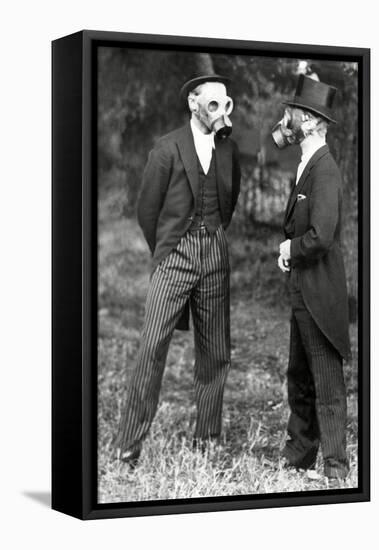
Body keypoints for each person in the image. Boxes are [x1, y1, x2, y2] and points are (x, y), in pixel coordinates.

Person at [116, 74, 241, 466]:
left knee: (215, 352)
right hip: (175, 254)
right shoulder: (167, 147)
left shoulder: (228, 148)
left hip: (215, 252)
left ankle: (207, 439)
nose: (220, 111)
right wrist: (167, 252)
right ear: (193, 103)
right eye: (213, 103)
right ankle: (128, 446)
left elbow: (229, 200)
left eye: (226, 104)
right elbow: (146, 211)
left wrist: (211, 238)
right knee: (152, 347)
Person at [273, 74, 351, 484]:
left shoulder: (325, 170)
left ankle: (337, 469)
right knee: (298, 376)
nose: (286, 120)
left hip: (321, 295)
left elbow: (320, 236)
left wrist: (290, 250)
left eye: (294, 114)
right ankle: (300, 455)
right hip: (303, 288)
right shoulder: (307, 164)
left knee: (327, 384)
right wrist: (292, 258)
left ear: (312, 123)